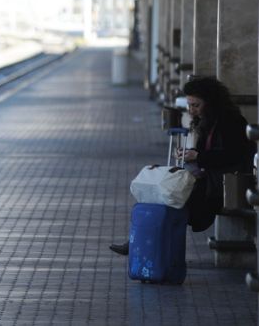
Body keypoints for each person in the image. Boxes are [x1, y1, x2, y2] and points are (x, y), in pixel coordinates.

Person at [109, 76, 256, 256]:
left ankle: (142, 246)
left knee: (170, 196)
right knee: (164, 191)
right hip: (209, 181)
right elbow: (206, 154)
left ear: (211, 103)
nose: (191, 110)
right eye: (189, 105)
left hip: (225, 186)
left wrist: (197, 156)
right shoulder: (207, 121)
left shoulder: (231, 122)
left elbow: (232, 156)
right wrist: (189, 154)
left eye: (196, 105)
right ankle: (142, 245)